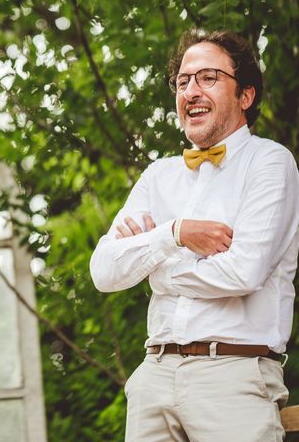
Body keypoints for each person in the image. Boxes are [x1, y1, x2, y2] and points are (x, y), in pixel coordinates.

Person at [90, 29, 299, 441]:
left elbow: (243, 273)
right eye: (182, 82)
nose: (191, 91)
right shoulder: (158, 176)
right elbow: (104, 271)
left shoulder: (270, 163)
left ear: (246, 96)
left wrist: (156, 271)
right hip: (153, 376)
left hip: (233, 375)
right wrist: (173, 234)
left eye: (208, 78)